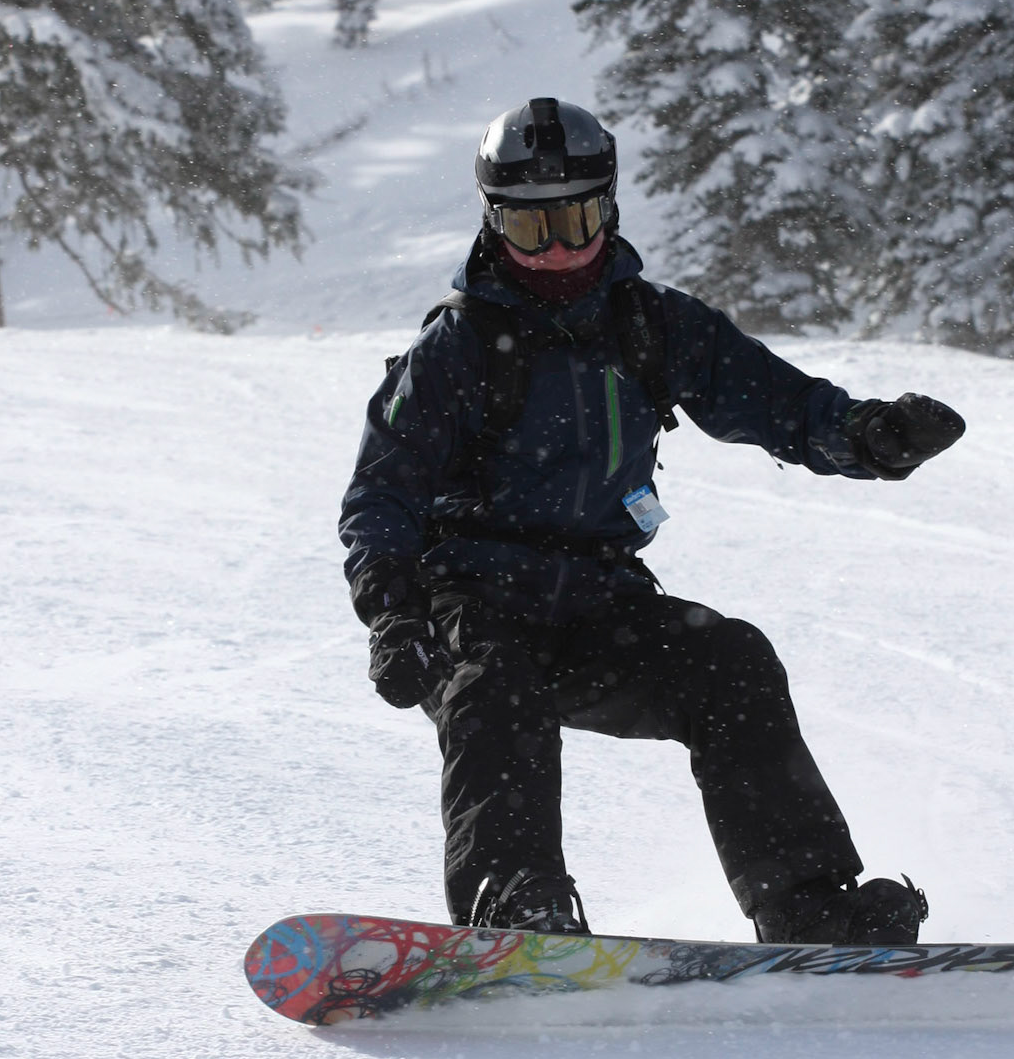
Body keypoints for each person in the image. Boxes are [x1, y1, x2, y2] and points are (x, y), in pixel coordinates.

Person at [339, 98, 966, 945]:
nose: (558, 246)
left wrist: (871, 437)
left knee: (729, 661)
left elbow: (782, 406)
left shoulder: (653, 326)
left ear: (611, 207)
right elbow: (381, 495)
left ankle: (805, 904)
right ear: (495, 225)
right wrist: (394, 616)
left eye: (577, 218)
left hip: (601, 600)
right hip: (475, 597)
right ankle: (518, 905)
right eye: (531, 229)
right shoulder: (456, 348)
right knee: (494, 684)